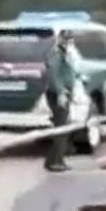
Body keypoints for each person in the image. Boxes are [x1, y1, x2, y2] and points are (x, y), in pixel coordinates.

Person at [42, 28, 82, 172]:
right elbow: (53, 75)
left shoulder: (67, 54)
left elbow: (71, 72)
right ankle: (56, 162)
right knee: (62, 129)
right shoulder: (56, 53)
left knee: (63, 127)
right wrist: (60, 93)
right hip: (57, 95)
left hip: (65, 93)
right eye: (66, 39)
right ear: (60, 39)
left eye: (70, 40)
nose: (68, 42)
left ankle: (52, 160)